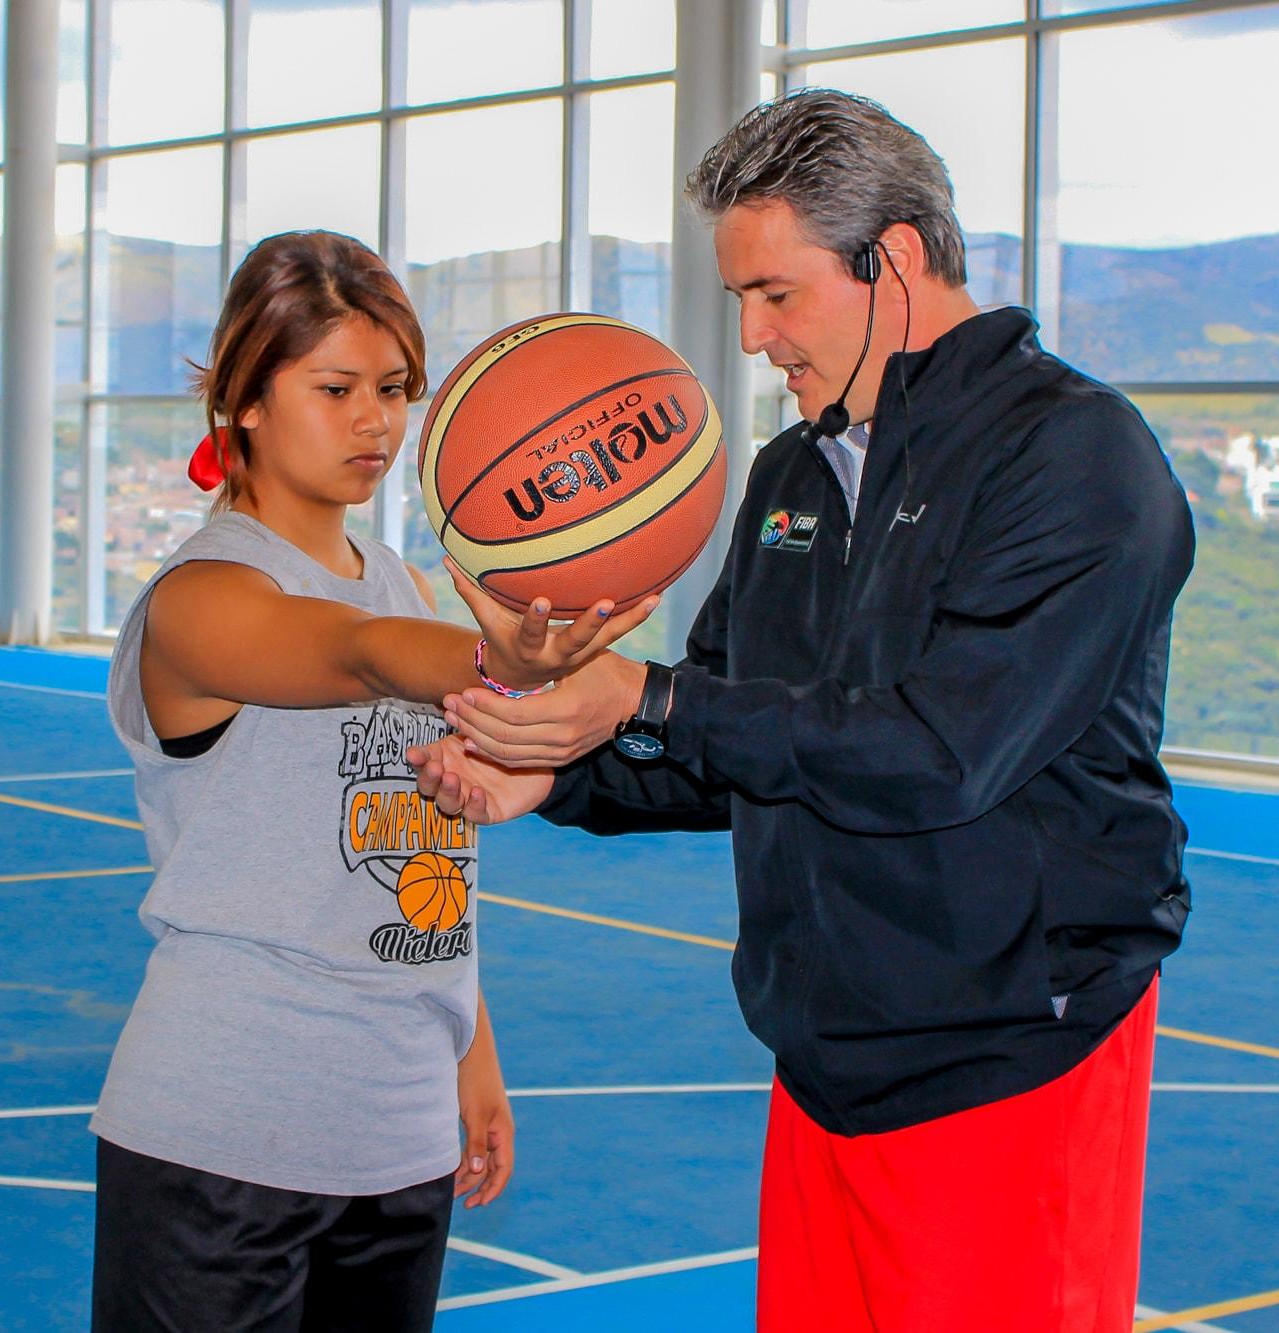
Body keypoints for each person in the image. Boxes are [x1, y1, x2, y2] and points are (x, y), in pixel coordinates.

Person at [408, 91, 1196, 1332]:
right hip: (827, 1048)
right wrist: (556, 765)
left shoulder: (1071, 456)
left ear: (891, 257)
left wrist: (647, 693)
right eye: (739, 303)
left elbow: (942, 752)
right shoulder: (791, 473)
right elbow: (727, 748)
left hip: (1005, 1047)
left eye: (777, 295)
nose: (756, 337)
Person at [90, 230, 654, 1331]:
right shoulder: (204, 596)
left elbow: (420, 851)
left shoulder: (394, 578)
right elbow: (354, 653)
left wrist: (469, 1048)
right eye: (336, 387)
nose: (375, 422)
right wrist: (495, 659)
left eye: (394, 389)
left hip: (394, 1126)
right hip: (224, 1130)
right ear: (246, 398)